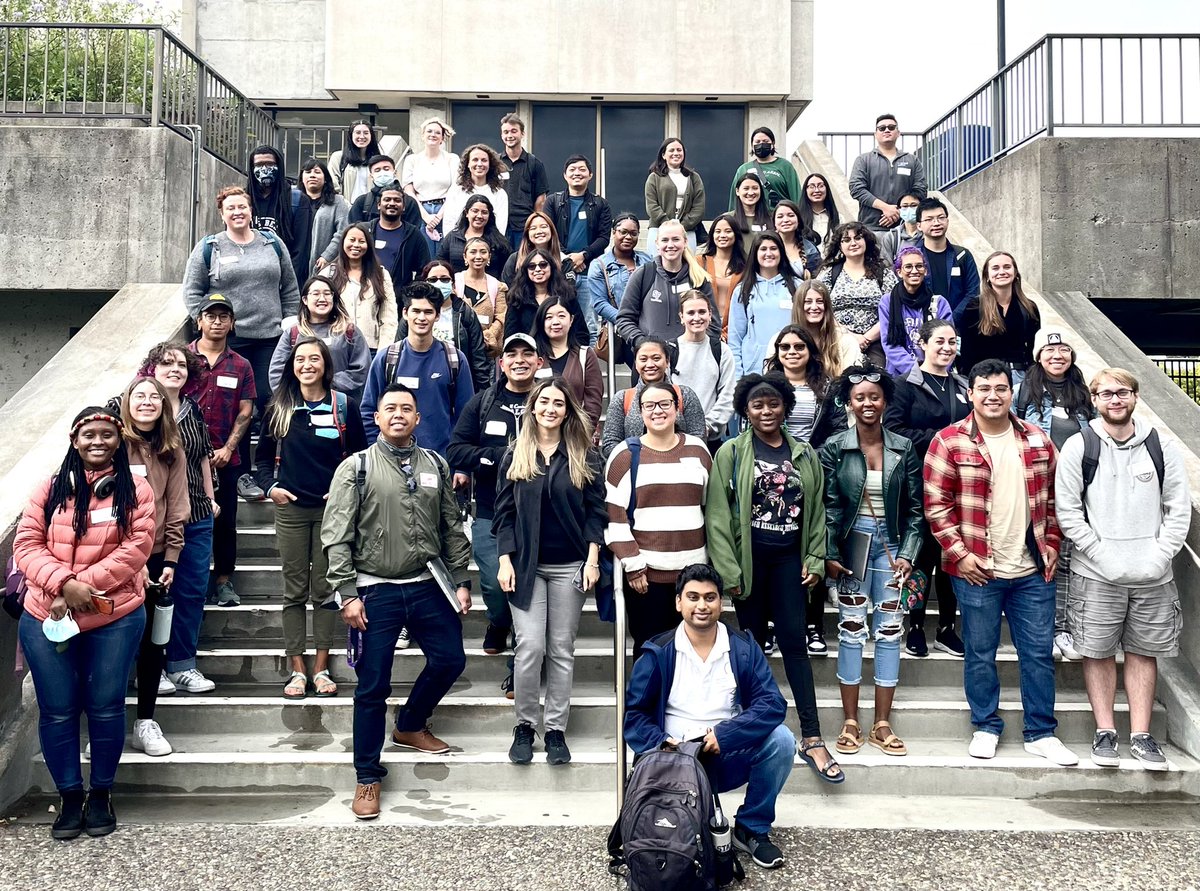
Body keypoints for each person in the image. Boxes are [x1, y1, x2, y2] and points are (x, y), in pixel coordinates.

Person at [324, 384, 472, 820]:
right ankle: (368, 775)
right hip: (375, 590)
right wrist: (346, 593)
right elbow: (336, 534)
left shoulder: (436, 464)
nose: (399, 414)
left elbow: (450, 524)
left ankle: (409, 724)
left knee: (450, 660)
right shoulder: (357, 468)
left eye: (407, 408)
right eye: (391, 408)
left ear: (418, 418)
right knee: (372, 686)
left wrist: (461, 579)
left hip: (428, 584)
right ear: (378, 416)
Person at [923, 358, 1077, 765]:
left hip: (1032, 569)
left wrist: (1054, 543)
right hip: (977, 570)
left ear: (1012, 392)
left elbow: (1056, 502)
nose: (993, 396)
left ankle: (1041, 731)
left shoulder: (1039, 440)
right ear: (970, 393)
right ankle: (986, 725)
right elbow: (936, 507)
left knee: (1038, 654)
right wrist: (960, 555)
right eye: (985, 389)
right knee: (979, 651)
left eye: (1001, 389)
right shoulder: (949, 441)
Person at [14, 406, 155, 839]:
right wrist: (61, 585)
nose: (98, 441)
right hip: (47, 613)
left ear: (119, 441)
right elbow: (26, 543)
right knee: (57, 711)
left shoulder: (137, 490)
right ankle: (70, 797)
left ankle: (101, 795)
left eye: (107, 435)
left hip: (113, 615)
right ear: (75, 441)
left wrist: (80, 588)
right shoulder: (48, 489)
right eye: (89, 434)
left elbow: (137, 547)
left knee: (106, 705)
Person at [1055, 368, 1191, 771]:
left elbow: (1177, 509)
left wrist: (1159, 556)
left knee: (1143, 652)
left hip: (1153, 575)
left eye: (1123, 392)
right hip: (1096, 573)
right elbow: (1068, 512)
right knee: (1096, 653)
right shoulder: (1080, 446)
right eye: (1106, 394)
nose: (1115, 400)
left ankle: (1143, 735)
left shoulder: (1161, 447)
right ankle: (1105, 731)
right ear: (1094, 400)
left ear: (1135, 397)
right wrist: (1103, 555)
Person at [705, 375, 836, 792]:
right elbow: (717, 517)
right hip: (749, 564)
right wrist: (729, 573)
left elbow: (816, 511)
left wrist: (814, 557)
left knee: (795, 644)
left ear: (785, 407)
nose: (766, 411)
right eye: (758, 404)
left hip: (789, 563)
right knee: (752, 648)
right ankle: (750, 733)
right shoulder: (731, 452)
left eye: (774, 404)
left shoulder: (803, 454)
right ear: (745, 409)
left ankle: (812, 736)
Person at [624, 564, 794, 870]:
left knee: (782, 740)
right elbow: (635, 716)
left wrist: (725, 735)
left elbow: (772, 704)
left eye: (710, 597)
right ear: (678, 603)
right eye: (693, 597)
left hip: (726, 754)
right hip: (674, 762)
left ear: (721, 602)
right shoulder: (658, 652)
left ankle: (751, 828)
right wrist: (663, 744)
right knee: (687, 842)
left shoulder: (742, 648)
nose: (702, 605)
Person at [493, 377, 606, 766]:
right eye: (544, 402)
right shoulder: (515, 454)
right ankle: (525, 725)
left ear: (567, 410)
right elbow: (503, 515)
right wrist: (504, 561)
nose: (551, 409)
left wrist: (593, 560)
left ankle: (555, 729)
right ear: (534, 407)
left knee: (561, 649)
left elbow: (596, 513)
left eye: (558, 403)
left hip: (570, 565)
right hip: (525, 567)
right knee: (530, 648)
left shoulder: (584, 455)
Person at [820, 365, 924, 758]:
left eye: (874, 397)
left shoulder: (903, 447)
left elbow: (916, 511)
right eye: (860, 397)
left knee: (890, 631)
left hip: (893, 549)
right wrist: (830, 553)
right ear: (849, 402)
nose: (867, 403)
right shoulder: (835, 446)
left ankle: (882, 723)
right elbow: (830, 506)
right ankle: (850, 721)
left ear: (884, 402)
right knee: (850, 631)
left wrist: (910, 555)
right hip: (852, 548)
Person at [258, 336, 367, 699]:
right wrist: (271, 488)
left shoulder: (344, 406)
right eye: (300, 359)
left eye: (314, 359)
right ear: (292, 365)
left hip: (330, 513)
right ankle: (296, 668)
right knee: (294, 591)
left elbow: (358, 461)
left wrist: (343, 492)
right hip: (290, 510)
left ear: (325, 364)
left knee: (324, 591)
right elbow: (260, 462)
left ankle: (320, 667)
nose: (307, 365)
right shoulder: (278, 407)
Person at [182, 185, 301, 500]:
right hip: (228, 341)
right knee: (237, 407)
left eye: (242, 207)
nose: (237, 212)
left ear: (251, 211)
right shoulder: (210, 247)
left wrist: (289, 319)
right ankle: (244, 474)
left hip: (269, 339)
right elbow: (192, 292)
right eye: (230, 208)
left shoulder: (271, 243)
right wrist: (208, 322)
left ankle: (272, 467)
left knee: (268, 400)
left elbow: (289, 286)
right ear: (222, 214)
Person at [448, 333, 544, 697]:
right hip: (490, 512)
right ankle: (496, 621)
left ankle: (518, 670)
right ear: (501, 364)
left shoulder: (549, 401)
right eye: (512, 355)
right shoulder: (483, 403)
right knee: (494, 585)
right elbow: (456, 449)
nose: (519, 360)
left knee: (528, 592)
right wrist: (492, 458)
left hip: (538, 516)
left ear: (538, 363)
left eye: (527, 354)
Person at [883, 318, 969, 658]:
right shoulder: (905, 385)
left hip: (959, 486)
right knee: (920, 557)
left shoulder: (964, 385)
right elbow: (893, 429)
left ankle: (947, 628)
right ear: (923, 343)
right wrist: (941, 440)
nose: (947, 347)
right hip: (919, 483)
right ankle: (915, 625)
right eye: (940, 341)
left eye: (952, 341)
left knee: (952, 557)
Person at [605, 382, 713, 651]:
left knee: (690, 651)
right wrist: (633, 564)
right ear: (640, 413)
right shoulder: (625, 455)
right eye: (649, 405)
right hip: (646, 578)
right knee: (650, 650)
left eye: (665, 404)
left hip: (692, 576)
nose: (657, 411)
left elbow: (709, 507)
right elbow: (614, 517)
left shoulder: (698, 450)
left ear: (677, 409)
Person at [138, 343, 218, 694]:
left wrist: (211, 498)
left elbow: (201, 456)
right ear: (152, 368)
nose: (175, 369)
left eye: (182, 364)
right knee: (150, 595)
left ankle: (182, 664)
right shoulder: (140, 410)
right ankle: (149, 668)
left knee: (191, 592)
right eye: (167, 363)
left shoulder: (193, 410)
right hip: (152, 521)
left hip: (196, 515)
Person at [116, 377, 189, 758]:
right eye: (139, 396)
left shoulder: (171, 450)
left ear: (164, 405)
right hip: (113, 561)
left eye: (154, 398)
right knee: (112, 644)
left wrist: (171, 559)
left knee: (153, 642)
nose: (147, 403)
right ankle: (107, 723)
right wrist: (133, 560)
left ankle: (145, 721)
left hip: (160, 559)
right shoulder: (112, 444)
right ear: (127, 403)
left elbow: (177, 506)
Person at [763, 326, 846, 656]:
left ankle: (813, 625)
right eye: (785, 346)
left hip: (814, 472)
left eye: (799, 346)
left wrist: (817, 462)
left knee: (812, 547)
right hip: (773, 476)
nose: (792, 352)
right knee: (772, 548)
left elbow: (838, 429)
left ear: (811, 351)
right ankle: (770, 624)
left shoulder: (827, 387)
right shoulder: (766, 384)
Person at [1015, 327, 1096, 661]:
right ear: (1038, 356)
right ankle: (1041, 631)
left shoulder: (1084, 394)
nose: (1056, 356)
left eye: (1063, 349)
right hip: (1036, 487)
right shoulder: (1024, 391)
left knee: (1067, 560)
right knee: (1038, 558)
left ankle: (1064, 629)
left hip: (1077, 489)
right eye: (1049, 350)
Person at [187, 294, 254, 607]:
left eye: (223, 316)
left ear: (232, 323)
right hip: (184, 462)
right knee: (185, 521)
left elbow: (245, 410)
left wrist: (228, 448)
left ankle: (225, 581)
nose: (217, 322)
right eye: (210, 316)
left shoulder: (241, 365)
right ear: (199, 321)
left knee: (225, 522)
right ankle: (193, 583)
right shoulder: (182, 360)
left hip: (226, 460)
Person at [359, 282, 475, 459]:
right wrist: (378, 455)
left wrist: (461, 467)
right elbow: (368, 411)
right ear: (405, 313)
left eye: (428, 312)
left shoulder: (454, 359)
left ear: (437, 316)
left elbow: (465, 416)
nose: (422, 317)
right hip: (392, 459)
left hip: (441, 461)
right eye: (416, 311)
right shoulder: (386, 359)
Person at [614, 220, 718, 351]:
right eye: (664, 240)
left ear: (685, 242)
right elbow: (624, 319)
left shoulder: (698, 278)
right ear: (657, 243)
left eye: (676, 239)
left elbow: (713, 324)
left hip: (691, 361)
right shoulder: (643, 275)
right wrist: (642, 342)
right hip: (652, 361)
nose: (670, 245)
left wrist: (695, 348)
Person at [601, 338, 707, 457]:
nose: (650, 365)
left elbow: (698, 439)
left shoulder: (685, 395)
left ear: (667, 361)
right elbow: (610, 444)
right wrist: (641, 461)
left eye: (656, 358)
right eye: (643, 359)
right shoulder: (622, 399)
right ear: (636, 364)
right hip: (635, 470)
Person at [269, 276, 370, 398]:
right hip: (300, 404)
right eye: (316, 294)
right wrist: (301, 391)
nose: (322, 298)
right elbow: (277, 373)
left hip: (340, 403)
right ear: (305, 300)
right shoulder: (293, 333)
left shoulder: (349, 331)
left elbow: (362, 369)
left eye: (327, 294)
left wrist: (325, 383)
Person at [400, 260, 490, 393]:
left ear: (453, 283)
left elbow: (479, 357)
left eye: (444, 279)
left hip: (455, 380)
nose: (439, 283)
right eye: (433, 279)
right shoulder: (411, 315)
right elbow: (400, 350)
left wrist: (483, 394)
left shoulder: (465, 313)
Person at [954, 251, 1040, 388]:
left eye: (1007, 267)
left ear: (1015, 272)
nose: (1002, 272)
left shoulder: (1029, 308)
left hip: (1021, 378)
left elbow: (1033, 350)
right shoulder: (975, 307)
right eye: (995, 268)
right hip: (986, 376)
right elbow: (967, 352)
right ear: (987, 276)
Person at [816, 222, 896, 368]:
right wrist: (850, 337)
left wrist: (867, 338)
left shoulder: (883, 274)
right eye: (846, 240)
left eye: (858, 238)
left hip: (875, 344)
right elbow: (819, 309)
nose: (853, 243)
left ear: (866, 241)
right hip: (837, 341)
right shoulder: (828, 274)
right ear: (839, 246)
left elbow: (893, 310)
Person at [728, 232, 802, 378]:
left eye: (773, 248)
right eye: (763, 249)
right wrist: (737, 376)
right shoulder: (743, 290)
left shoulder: (797, 287)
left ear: (781, 252)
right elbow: (735, 338)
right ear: (755, 254)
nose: (769, 253)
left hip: (791, 368)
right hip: (754, 369)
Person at [319, 222, 398, 355]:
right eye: (352, 240)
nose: (356, 245)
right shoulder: (328, 274)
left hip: (371, 350)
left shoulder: (381, 275)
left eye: (361, 241)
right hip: (335, 350)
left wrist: (383, 352)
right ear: (343, 242)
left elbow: (388, 317)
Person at [673, 290, 735, 453]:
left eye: (702, 312)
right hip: (675, 438)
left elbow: (728, 395)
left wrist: (705, 427)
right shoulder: (670, 350)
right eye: (690, 313)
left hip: (711, 439)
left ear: (710, 314)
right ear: (681, 317)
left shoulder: (721, 351)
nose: (697, 317)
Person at [587, 213, 653, 365]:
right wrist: (627, 321)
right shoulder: (599, 265)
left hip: (650, 325)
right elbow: (600, 303)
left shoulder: (648, 260)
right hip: (622, 330)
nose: (628, 237)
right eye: (623, 232)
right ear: (613, 232)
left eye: (633, 233)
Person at [878, 246, 953, 376]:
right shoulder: (888, 302)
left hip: (934, 373)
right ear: (899, 272)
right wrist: (916, 371)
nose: (914, 271)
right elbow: (889, 343)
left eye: (919, 266)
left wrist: (933, 370)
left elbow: (950, 341)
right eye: (908, 266)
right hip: (899, 376)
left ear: (925, 271)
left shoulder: (939, 303)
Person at [848, 114, 928, 231]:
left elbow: (920, 190)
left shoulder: (912, 160)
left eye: (891, 127)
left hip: (906, 228)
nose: (886, 130)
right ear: (875, 134)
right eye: (882, 128)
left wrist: (898, 212)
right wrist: (885, 207)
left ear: (898, 132)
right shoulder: (863, 160)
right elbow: (856, 189)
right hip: (871, 228)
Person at [534, 296, 603, 425]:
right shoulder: (532, 356)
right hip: (537, 434)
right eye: (549, 317)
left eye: (561, 316)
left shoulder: (585, 355)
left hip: (575, 435)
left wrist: (580, 434)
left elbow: (593, 404)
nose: (555, 322)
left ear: (571, 320)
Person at [543, 154, 613, 277]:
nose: (577, 173)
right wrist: (569, 259)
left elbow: (603, 238)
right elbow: (548, 234)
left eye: (582, 169)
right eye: (572, 169)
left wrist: (583, 255)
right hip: (559, 270)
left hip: (590, 270)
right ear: (565, 175)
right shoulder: (552, 202)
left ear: (590, 175)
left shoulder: (601, 204)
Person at [349, 184, 431, 289]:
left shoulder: (414, 235)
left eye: (397, 200)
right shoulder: (364, 231)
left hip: (399, 300)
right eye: (387, 199)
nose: (392, 203)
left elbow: (424, 270)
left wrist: (409, 295)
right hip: (365, 293)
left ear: (404, 206)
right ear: (379, 205)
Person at [503, 248, 590, 346]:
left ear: (551, 267)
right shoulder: (517, 298)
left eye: (543, 265)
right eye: (531, 266)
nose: (538, 269)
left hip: (564, 356)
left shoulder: (567, 295)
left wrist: (572, 356)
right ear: (526, 271)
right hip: (530, 357)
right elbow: (510, 337)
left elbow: (581, 333)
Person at [403, 117, 460, 255]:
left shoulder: (452, 159)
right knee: (424, 254)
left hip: (446, 209)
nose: (433, 135)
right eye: (429, 131)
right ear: (422, 135)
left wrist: (439, 216)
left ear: (442, 138)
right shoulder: (412, 160)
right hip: (420, 210)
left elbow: (456, 187)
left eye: (437, 132)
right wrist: (426, 216)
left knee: (444, 253)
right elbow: (408, 189)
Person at [291, 158, 350, 286]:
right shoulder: (293, 201)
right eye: (308, 172)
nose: (312, 175)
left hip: (324, 264)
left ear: (325, 178)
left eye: (317, 172)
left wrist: (327, 256)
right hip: (296, 261)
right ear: (301, 177)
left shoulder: (337, 201)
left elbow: (343, 231)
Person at [915, 198, 980, 313]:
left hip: (959, 325)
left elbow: (973, 293)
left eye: (941, 218)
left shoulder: (962, 255)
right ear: (919, 225)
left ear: (947, 221)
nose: (936, 223)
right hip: (923, 325)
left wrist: (951, 319)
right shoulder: (912, 257)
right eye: (929, 219)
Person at [644, 137, 706, 251]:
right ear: (663, 155)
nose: (676, 153)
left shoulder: (693, 177)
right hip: (659, 229)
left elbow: (699, 206)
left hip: (687, 230)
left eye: (679, 150)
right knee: (657, 266)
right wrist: (667, 223)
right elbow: (651, 205)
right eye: (671, 150)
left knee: (687, 266)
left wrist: (683, 225)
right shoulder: (654, 177)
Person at [498, 113, 549, 250]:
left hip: (523, 226)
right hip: (498, 225)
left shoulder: (535, 163)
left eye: (514, 131)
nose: (510, 135)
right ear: (502, 135)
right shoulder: (495, 163)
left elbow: (541, 200)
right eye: (506, 132)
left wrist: (535, 225)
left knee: (523, 264)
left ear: (522, 134)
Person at [791, 279, 862, 377]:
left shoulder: (846, 341)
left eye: (820, 301)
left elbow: (852, 379)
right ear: (798, 306)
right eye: (808, 302)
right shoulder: (782, 342)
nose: (814, 307)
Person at [452, 237, 509, 360]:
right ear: (465, 257)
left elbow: (501, 316)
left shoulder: (497, 286)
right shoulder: (454, 282)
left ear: (489, 257)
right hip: (457, 346)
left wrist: (486, 336)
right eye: (473, 252)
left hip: (486, 349)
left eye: (483, 252)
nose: (478, 256)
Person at [442, 143, 510, 241]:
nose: (479, 164)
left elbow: (500, 228)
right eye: (475, 160)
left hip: (488, 248)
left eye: (484, 160)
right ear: (468, 164)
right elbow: (449, 223)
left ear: (490, 164)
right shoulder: (455, 191)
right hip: (459, 246)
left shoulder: (500, 194)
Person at [436, 193, 512, 278]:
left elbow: (508, 269)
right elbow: (441, 263)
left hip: (491, 289)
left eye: (484, 212)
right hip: (457, 289)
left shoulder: (498, 240)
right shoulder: (452, 237)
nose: (479, 216)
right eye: (475, 211)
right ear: (466, 213)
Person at [698, 214, 747, 340]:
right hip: (703, 329)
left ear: (736, 234)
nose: (722, 235)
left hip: (735, 330)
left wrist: (726, 333)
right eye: (718, 231)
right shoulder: (699, 262)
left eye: (728, 231)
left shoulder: (746, 267)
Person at [727, 126, 801, 210]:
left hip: (777, 218)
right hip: (752, 218)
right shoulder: (743, 169)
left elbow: (796, 196)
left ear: (772, 144)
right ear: (752, 146)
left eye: (765, 141)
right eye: (757, 142)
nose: (761, 144)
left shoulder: (785, 166)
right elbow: (734, 200)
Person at [341, 155, 423, 229]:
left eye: (386, 169)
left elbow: (414, 233)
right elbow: (354, 231)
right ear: (371, 176)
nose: (382, 173)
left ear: (395, 173)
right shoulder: (361, 202)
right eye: (377, 170)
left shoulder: (409, 202)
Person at [501, 210, 572, 286]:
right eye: (533, 228)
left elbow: (569, 292)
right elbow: (506, 289)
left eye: (543, 227)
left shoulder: (564, 261)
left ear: (552, 231)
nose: (539, 231)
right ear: (527, 234)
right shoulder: (515, 259)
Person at [246, 144, 295, 251]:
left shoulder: (295, 199)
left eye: (270, 164)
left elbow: (300, 248)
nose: (264, 169)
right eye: (259, 165)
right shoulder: (242, 200)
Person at [328, 120, 382, 202]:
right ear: (351, 135)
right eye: (358, 132)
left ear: (371, 136)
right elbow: (333, 183)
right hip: (347, 208)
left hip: (372, 209)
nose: (362, 136)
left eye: (366, 133)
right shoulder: (338, 157)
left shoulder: (379, 160)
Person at [772, 200, 819, 277]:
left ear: (798, 220)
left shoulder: (810, 249)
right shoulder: (765, 247)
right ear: (774, 222)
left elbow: (816, 279)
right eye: (780, 216)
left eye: (790, 215)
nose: (786, 220)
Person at [876, 191, 923, 265]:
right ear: (899, 209)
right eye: (905, 206)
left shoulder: (928, 233)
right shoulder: (892, 237)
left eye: (914, 205)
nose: (909, 209)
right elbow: (887, 265)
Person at [799, 172, 841, 251]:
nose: (817, 190)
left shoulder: (838, 217)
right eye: (812, 186)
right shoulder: (798, 218)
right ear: (805, 190)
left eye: (821, 186)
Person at [731, 171, 772, 250]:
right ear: (737, 191)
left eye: (755, 188)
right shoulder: (728, 219)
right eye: (746, 188)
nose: (750, 192)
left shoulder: (772, 218)